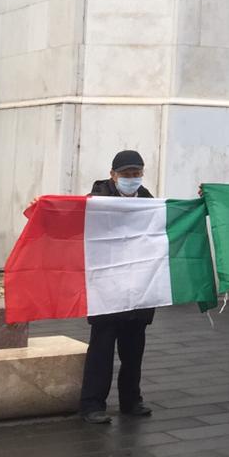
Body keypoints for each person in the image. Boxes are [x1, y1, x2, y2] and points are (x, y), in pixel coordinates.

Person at [75, 151, 158, 422]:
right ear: (113, 175)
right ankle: (92, 405)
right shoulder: (96, 200)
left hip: (138, 287)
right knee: (101, 347)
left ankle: (131, 400)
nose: (132, 178)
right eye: (126, 174)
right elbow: (70, 218)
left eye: (137, 173)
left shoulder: (148, 201)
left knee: (134, 350)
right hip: (106, 287)